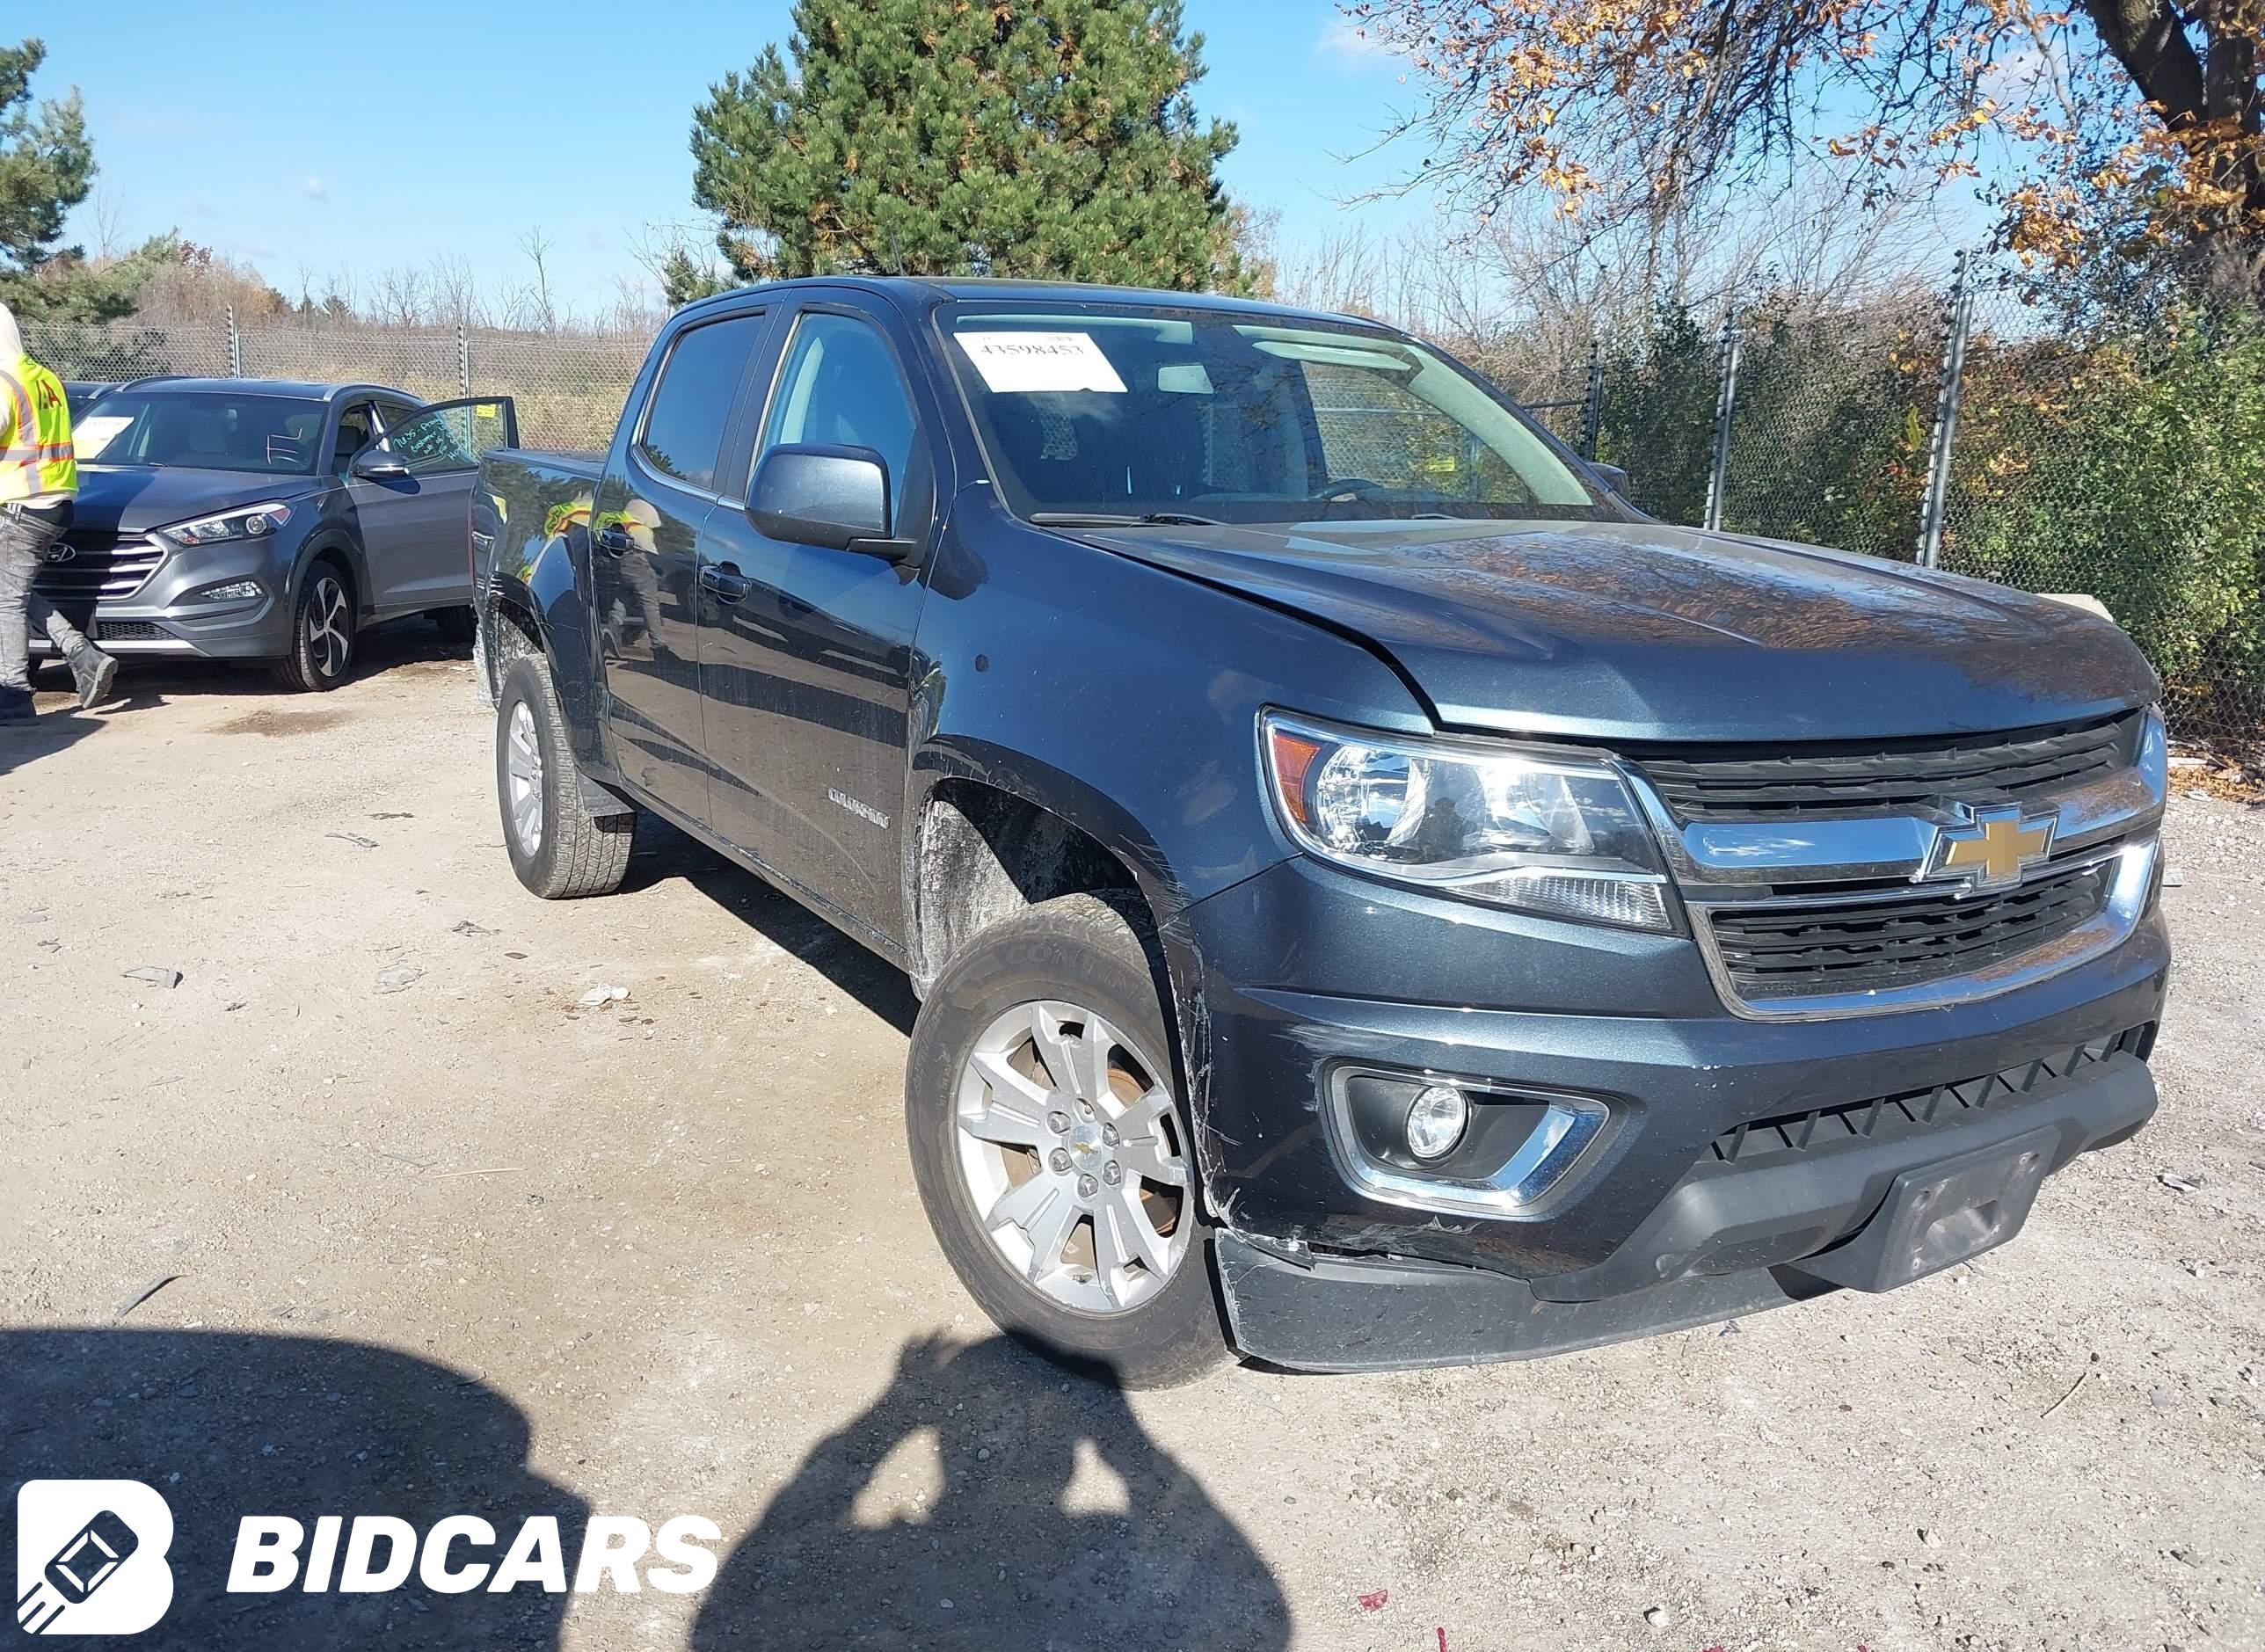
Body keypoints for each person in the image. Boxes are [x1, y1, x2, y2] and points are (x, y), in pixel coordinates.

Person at [0, 301, 116, 723]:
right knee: (13, 592)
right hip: (54, 499)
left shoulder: (2, 379)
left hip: (20, 503)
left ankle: (12, 692)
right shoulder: (41, 375)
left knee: (6, 601)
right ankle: (82, 655)